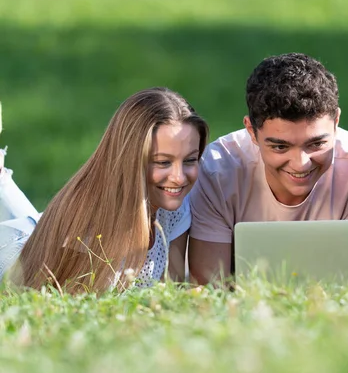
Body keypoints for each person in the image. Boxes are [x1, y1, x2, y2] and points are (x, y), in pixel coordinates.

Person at [188, 53, 348, 285]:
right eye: (280, 146)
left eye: (316, 144)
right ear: (251, 131)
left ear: (336, 122)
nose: (300, 163)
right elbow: (210, 283)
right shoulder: (218, 169)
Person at [1, 87, 208, 293]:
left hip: (36, 228)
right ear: (130, 159)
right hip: (13, 253)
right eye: (163, 162)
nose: (179, 178)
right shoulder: (87, 222)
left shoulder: (175, 205)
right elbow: (66, 303)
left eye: (190, 160)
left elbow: (171, 294)